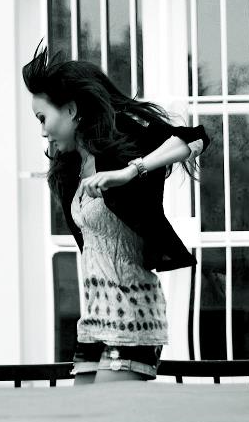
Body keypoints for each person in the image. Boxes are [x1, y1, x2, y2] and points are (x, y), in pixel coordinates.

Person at [22, 43, 209, 384]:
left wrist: (130, 171)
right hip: (95, 317)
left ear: (71, 110)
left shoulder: (122, 153)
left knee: (109, 414)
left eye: (42, 118)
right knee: (84, 416)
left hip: (132, 314)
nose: (43, 130)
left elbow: (195, 139)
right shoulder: (70, 172)